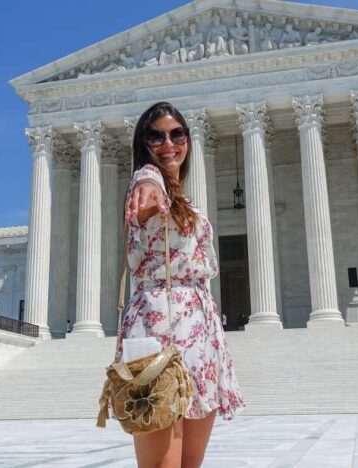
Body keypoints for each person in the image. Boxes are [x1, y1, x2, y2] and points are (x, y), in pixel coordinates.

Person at [123, 102, 245, 468]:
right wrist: (147, 181)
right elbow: (145, 186)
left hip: (199, 333)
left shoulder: (182, 197)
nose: (168, 143)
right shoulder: (148, 181)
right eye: (155, 135)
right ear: (143, 144)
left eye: (177, 134)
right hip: (158, 330)